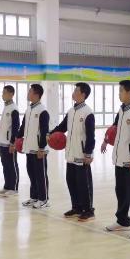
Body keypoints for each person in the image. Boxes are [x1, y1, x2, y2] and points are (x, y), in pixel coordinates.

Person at [101, 80, 130, 239]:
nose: (119, 93)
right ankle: (122, 221)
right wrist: (106, 140)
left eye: (121, 91)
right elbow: (114, 129)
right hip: (119, 159)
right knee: (120, 191)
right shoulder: (121, 111)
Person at [49, 82, 96, 222]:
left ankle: (88, 210)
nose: (73, 92)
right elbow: (62, 127)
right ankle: (76, 207)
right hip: (70, 154)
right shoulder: (71, 111)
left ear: (83, 94)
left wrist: (88, 154)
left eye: (76, 90)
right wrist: (50, 133)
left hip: (82, 155)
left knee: (84, 184)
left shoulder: (88, 113)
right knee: (71, 182)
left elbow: (90, 136)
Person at [18, 84, 50, 209]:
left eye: (30, 91)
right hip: (29, 148)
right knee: (32, 174)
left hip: (39, 150)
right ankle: (34, 197)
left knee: (41, 175)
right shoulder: (29, 109)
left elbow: (44, 131)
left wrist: (42, 147)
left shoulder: (43, 111)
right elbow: (23, 126)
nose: (28, 93)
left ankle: (44, 199)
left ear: (36, 94)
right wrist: (17, 137)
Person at [0, 85, 20, 197]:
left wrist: (13, 142)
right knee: (5, 165)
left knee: (12, 165)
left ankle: (14, 188)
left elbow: (15, 127)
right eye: (2, 92)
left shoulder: (14, 108)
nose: (2, 95)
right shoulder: (6, 107)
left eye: (4, 92)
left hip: (9, 143)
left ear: (11, 94)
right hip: (2, 142)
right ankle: (7, 186)